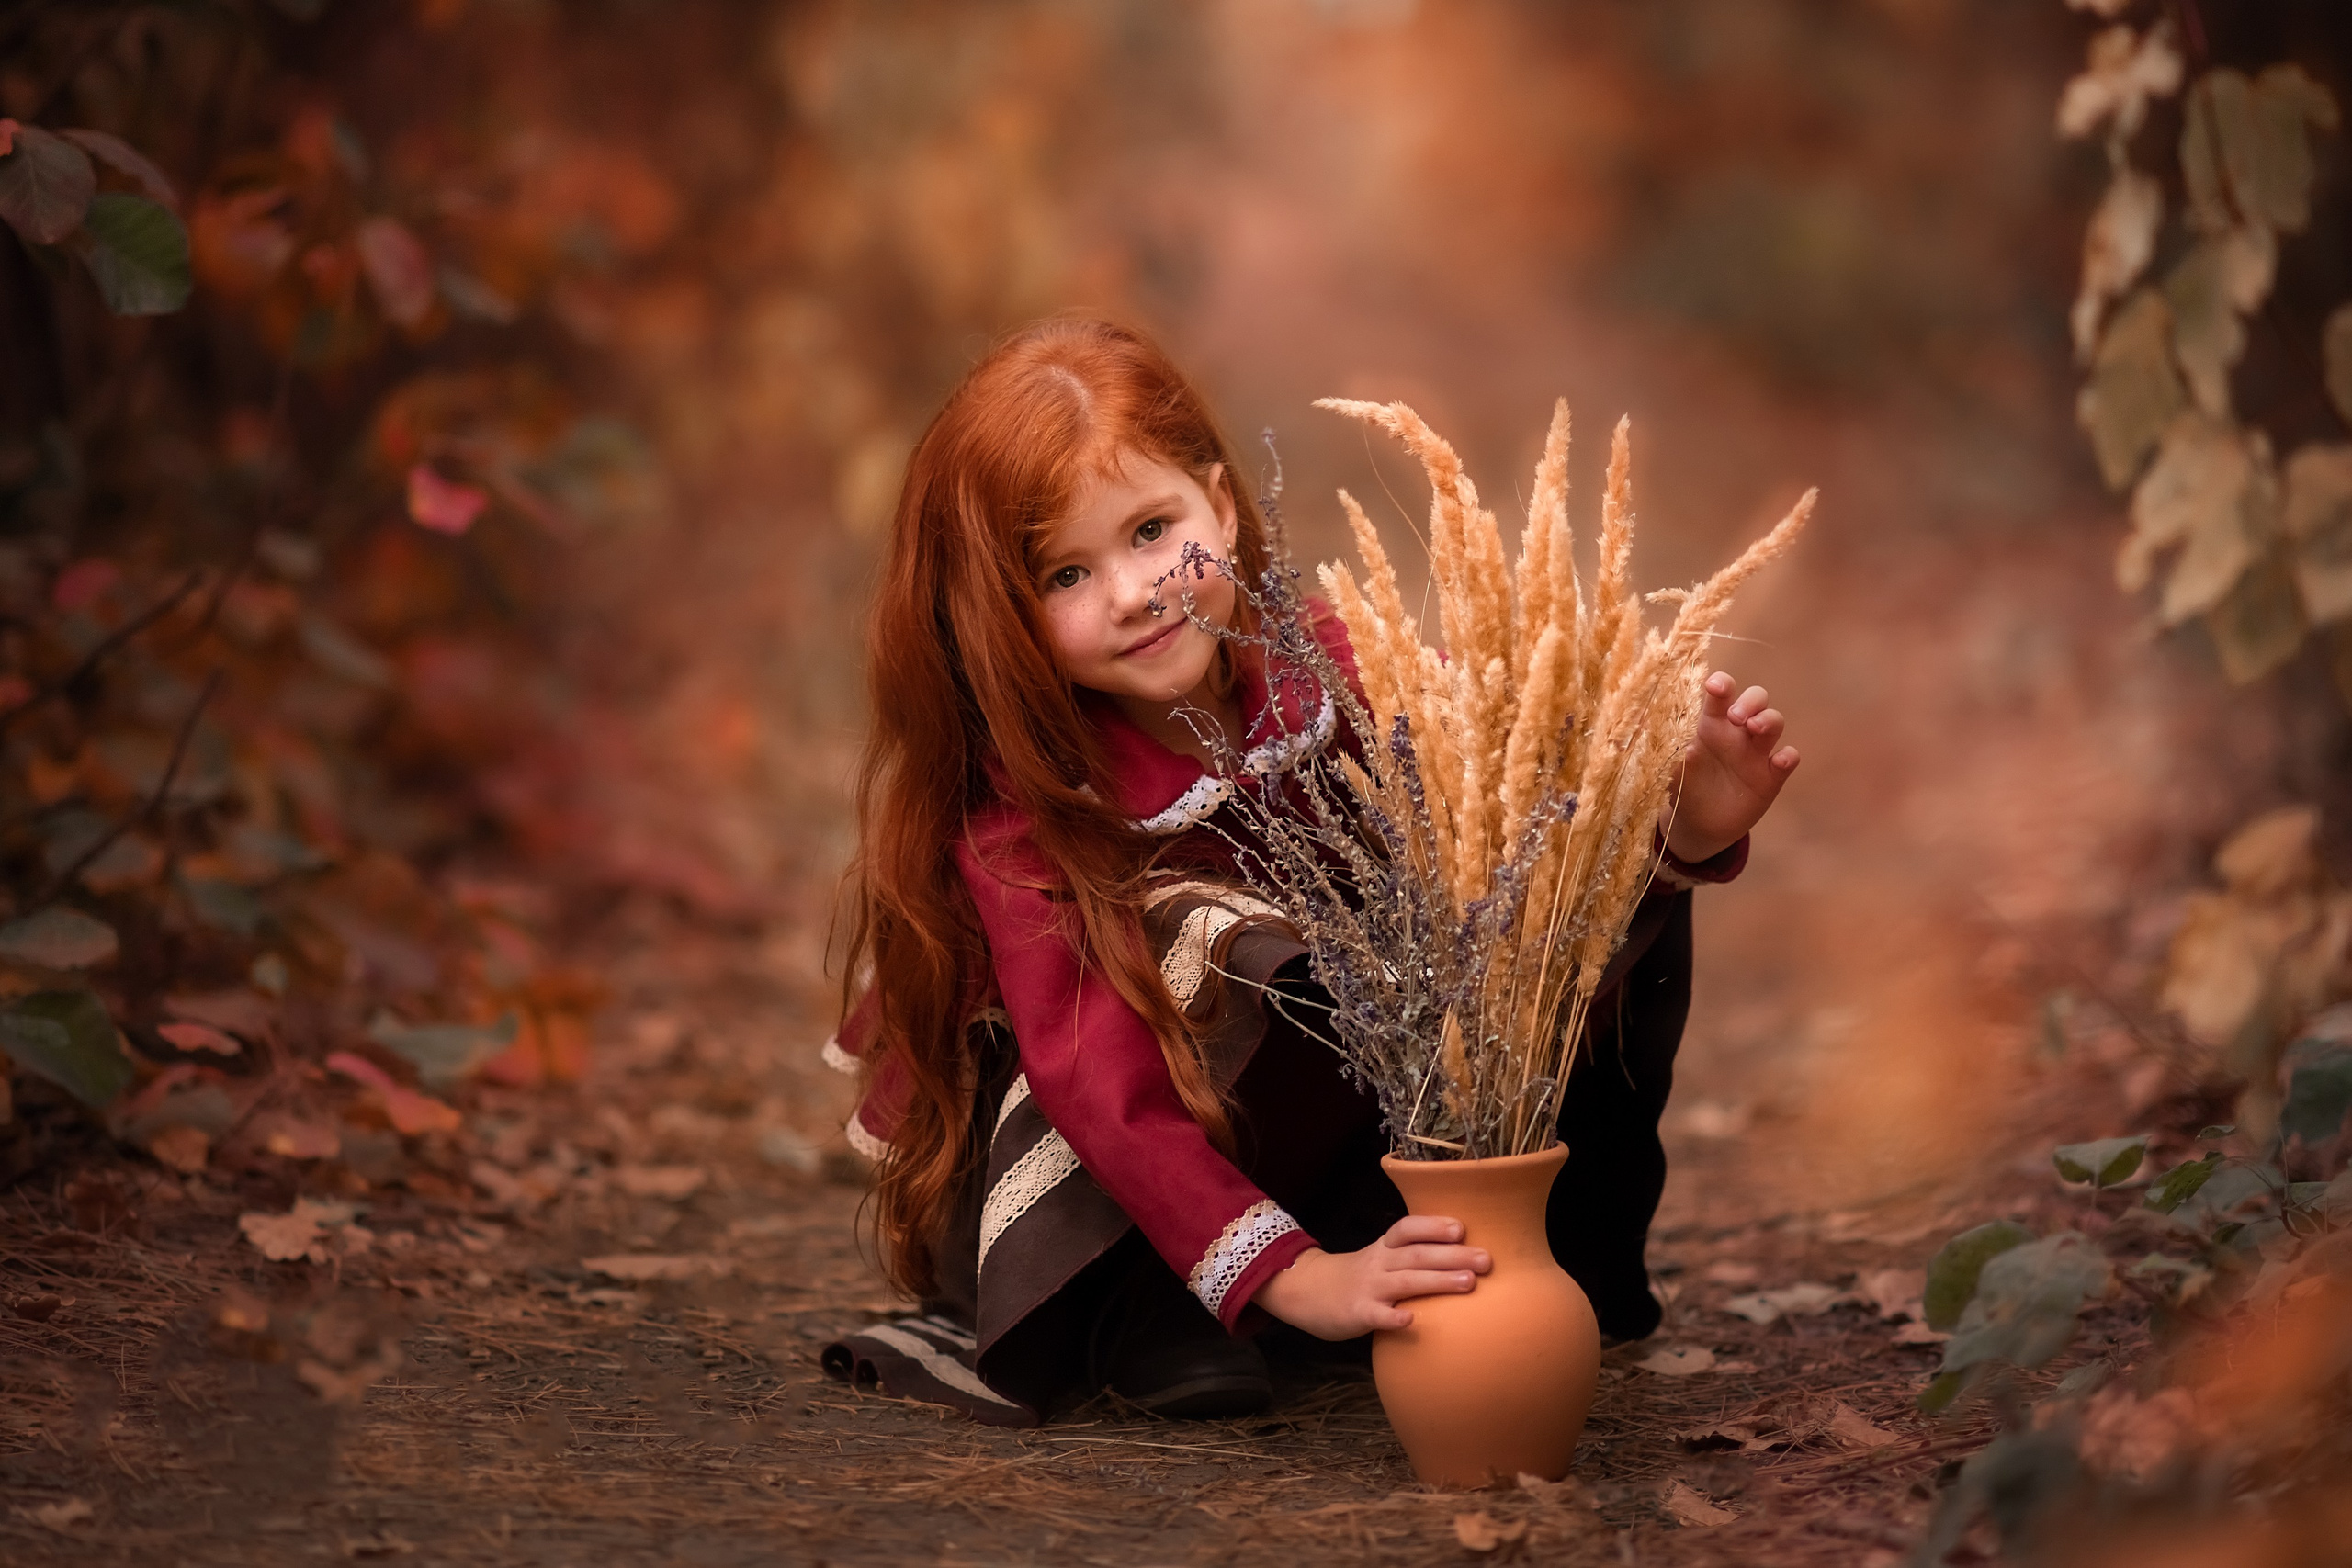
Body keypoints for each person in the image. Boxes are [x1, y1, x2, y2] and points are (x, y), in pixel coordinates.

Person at [819, 317, 1797, 1426]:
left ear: (1221, 507)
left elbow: (1525, 848)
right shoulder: (1028, 809)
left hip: (1304, 1135)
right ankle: (1155, 1307)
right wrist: (1299, 1279)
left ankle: (1530, 1239)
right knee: (1210, 933)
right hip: (1099, 1182)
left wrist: (1680, 831)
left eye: (1152, 530)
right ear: (1004, 615)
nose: (1136, 591)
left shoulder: (1334, 668)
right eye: (1066, 573)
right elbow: (1096, 1080)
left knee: (1523, 898)